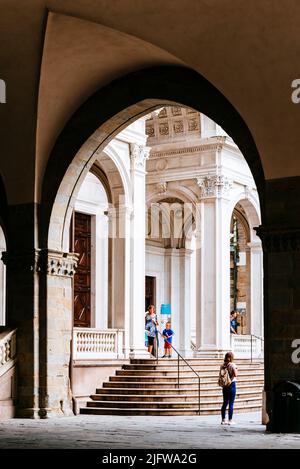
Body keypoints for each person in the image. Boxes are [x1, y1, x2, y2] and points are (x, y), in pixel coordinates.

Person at [220, 351, 238, 425]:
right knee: (231, 403)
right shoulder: (232, 365)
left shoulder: (222, 365)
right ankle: (230, 420)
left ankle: (223, 420)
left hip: (225, 385)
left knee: (225, 402)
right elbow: (236, 374)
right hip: (232, 384)